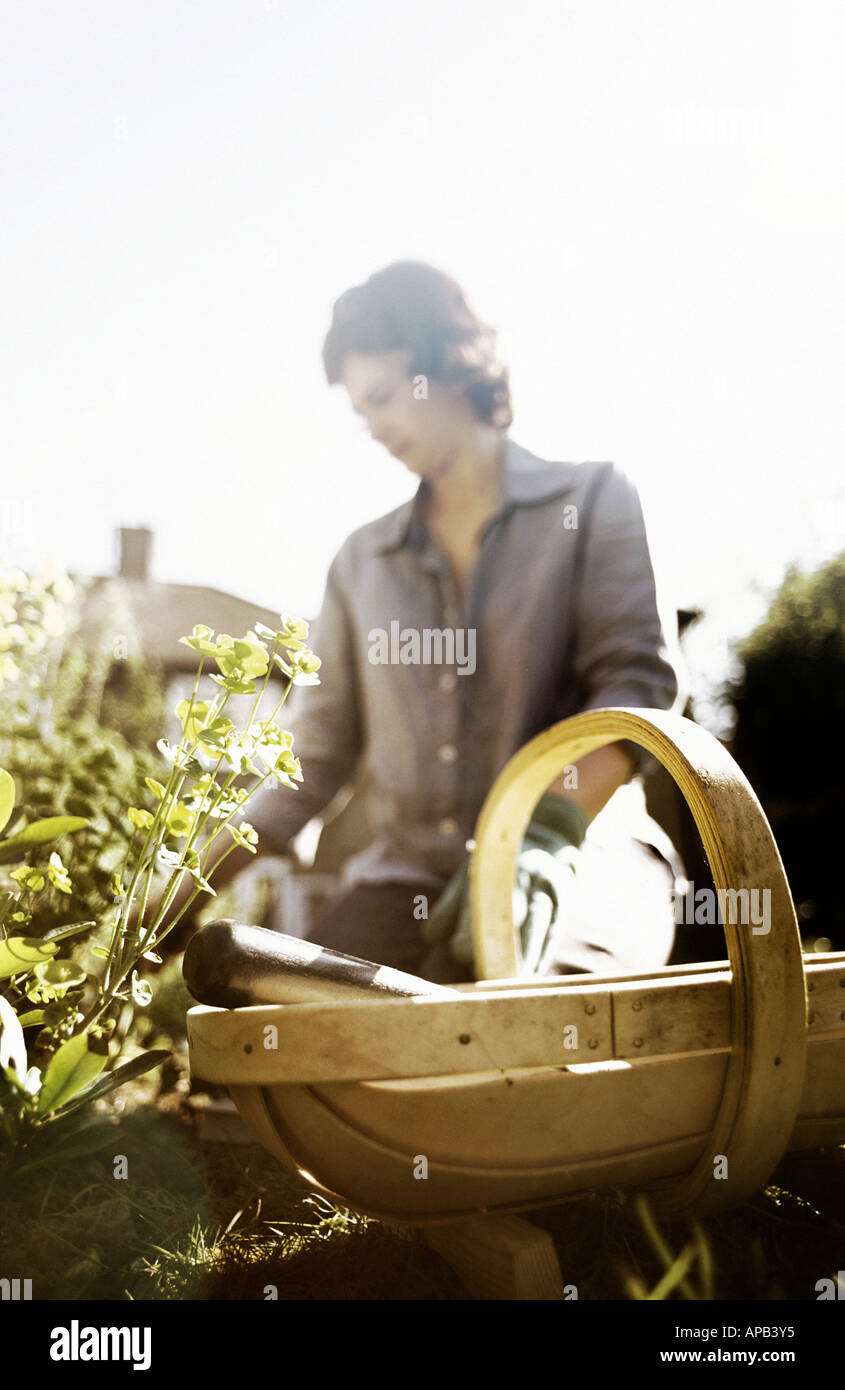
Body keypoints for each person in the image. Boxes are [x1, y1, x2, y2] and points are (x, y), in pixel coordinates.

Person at [191, 260, 688, 983]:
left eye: (385, 397)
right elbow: (315, 755)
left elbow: (636, 683)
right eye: (361, 411)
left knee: (541, 1017)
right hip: (405, 882)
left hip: (583, 857)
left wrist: (535, 837)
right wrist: (181, 888)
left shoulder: (592, 501)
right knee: (289, 1022)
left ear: (451, 361)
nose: (374, 427)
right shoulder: (361, 562)